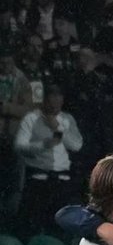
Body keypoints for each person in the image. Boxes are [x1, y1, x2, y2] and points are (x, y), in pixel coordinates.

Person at [13, 84, 82, 236]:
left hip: (62, 181)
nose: (56, 103)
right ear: (45, 100)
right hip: (38, 179)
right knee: (30, 226)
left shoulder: (67, 119)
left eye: (59, 98)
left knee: (58, 228)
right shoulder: (31, 118)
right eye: (52, 98)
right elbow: (19, 146)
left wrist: (58, 129)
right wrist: (43, 145)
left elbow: (76, 145)